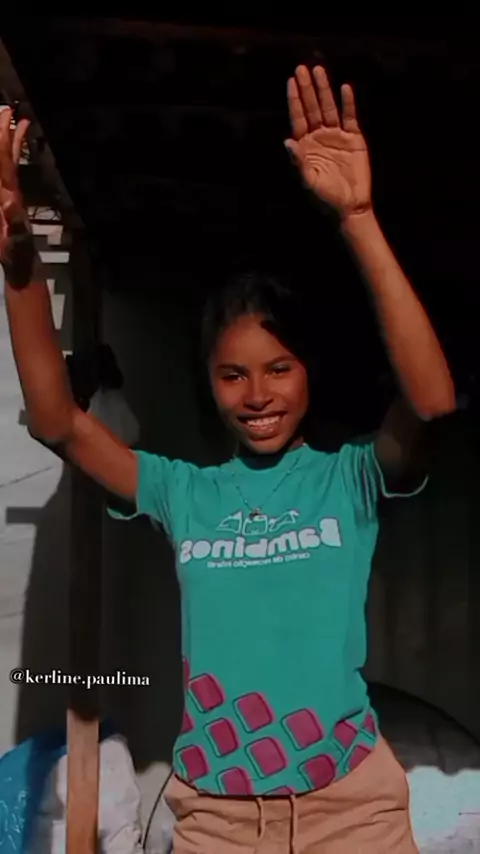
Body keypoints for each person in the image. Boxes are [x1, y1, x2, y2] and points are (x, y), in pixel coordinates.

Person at [1, 66, 455, 853]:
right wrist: (17, 265)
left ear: (309, 373)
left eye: (279, 368)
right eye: (232, 374)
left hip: (351, 814)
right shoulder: (184, 492)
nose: (257, 394)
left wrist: (358, 218)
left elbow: (432, 403)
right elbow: (58, 424)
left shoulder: (347, 479)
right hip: (218, 821)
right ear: (208, 384)